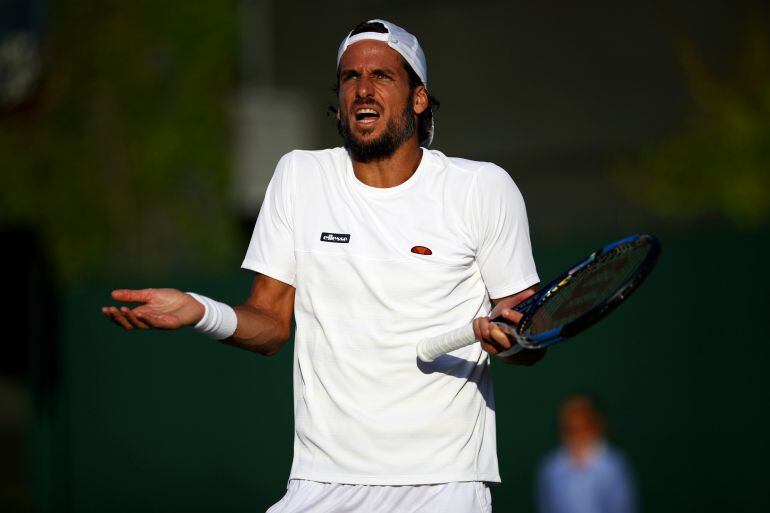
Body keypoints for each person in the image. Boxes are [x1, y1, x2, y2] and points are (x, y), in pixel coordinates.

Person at [102, 19, 545, 513]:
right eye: (350, 77)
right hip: (321, 482)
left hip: (443, 486)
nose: (362, 89)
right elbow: (269, 324)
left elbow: (527, 332)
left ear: (419, 99)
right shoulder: (299, 176)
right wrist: (199, 311)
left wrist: (512, 341)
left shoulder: (483, 189)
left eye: (381, 76)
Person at [536, 394, 636, 513]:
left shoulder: (614, 465)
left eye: (584, 426)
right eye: (570, 429)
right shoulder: (551, 467)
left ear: (598, 426)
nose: (578, 436)